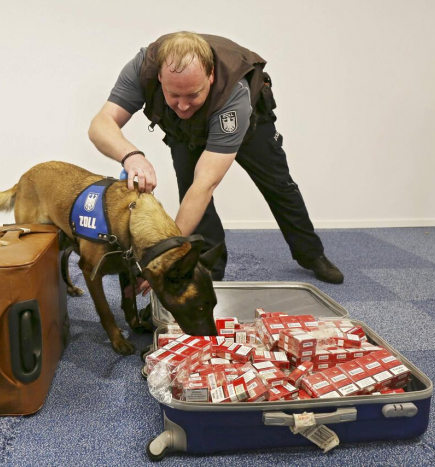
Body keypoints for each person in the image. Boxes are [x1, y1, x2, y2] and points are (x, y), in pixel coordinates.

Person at [88, 32, 343, 293]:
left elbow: (206, 184)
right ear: (160, 78)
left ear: (210, 76)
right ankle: (212, 265)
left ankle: (311, 254)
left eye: (193, 94)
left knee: (279, 185)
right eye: (173, 94)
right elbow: (100, 124)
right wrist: (131, 155)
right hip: (184, 131)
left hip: (249, 125)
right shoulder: (142, 68)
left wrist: (167, 259)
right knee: (190, 190)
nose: (184, 105)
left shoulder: (234, 92)